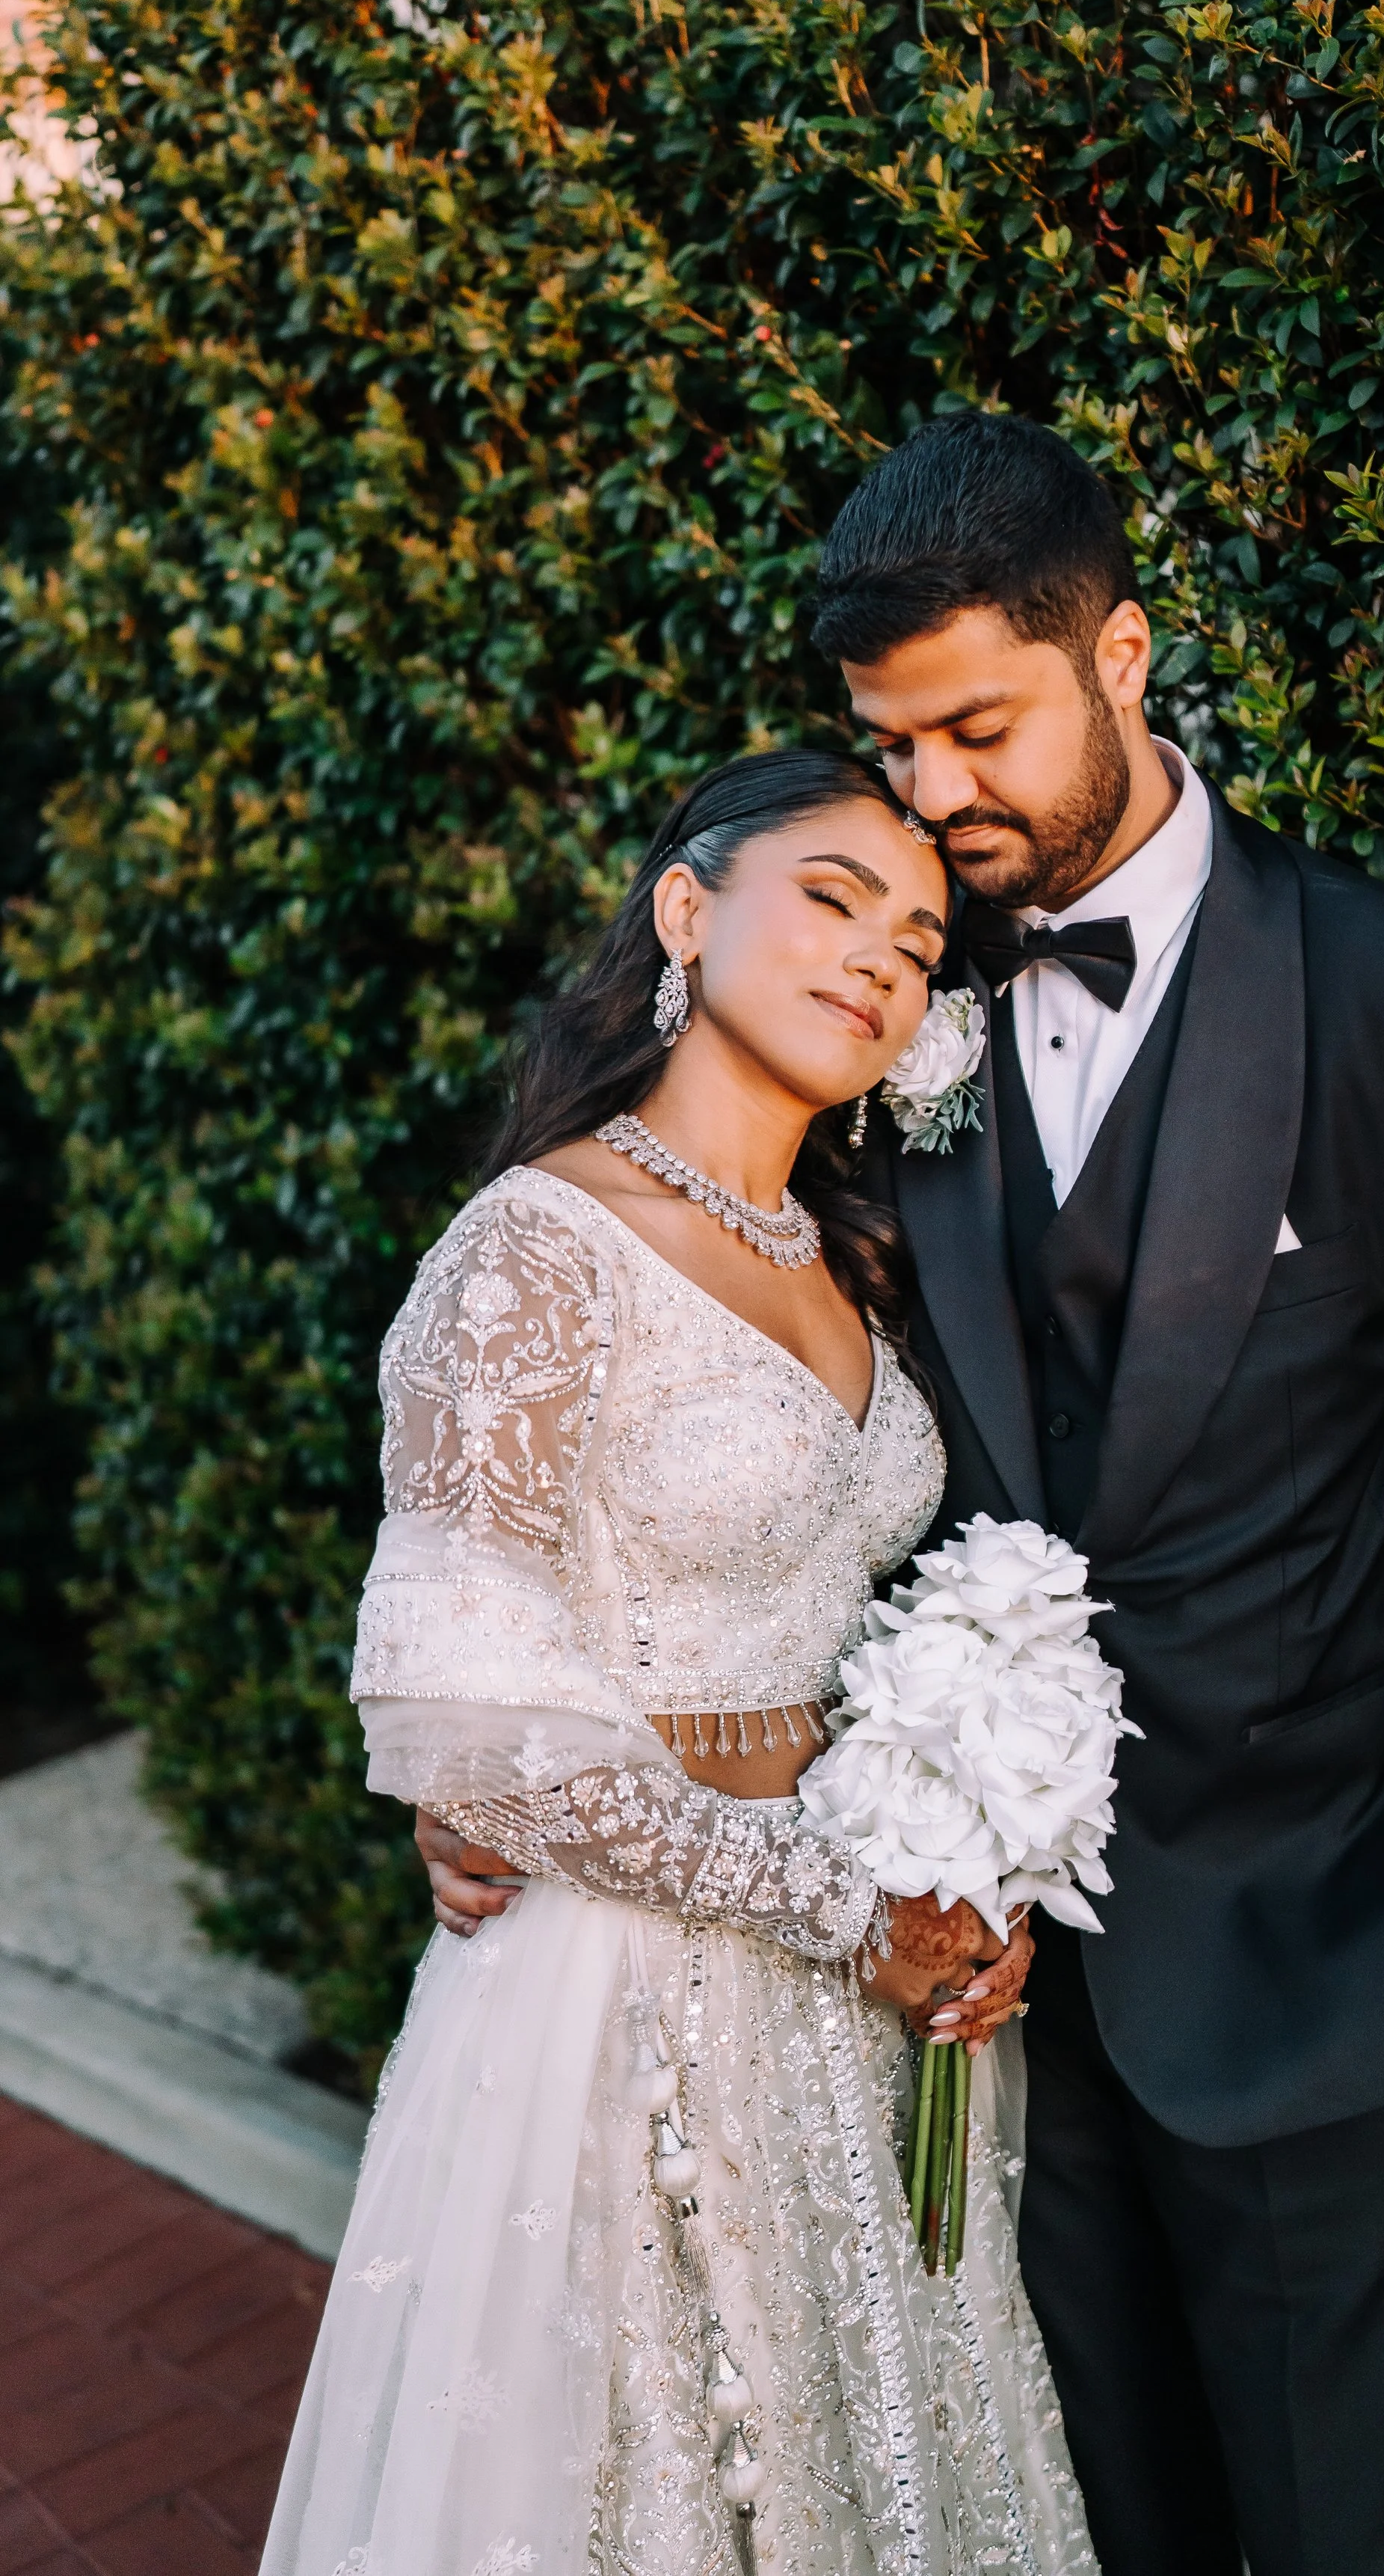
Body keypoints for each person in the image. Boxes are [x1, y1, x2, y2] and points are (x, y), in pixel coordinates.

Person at [806, 413, 1384, 2576]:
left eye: (973, 728)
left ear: (1118, 652)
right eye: (889, 747)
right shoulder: (890, 1003)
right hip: (1015, 1997)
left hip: (1323, 1981)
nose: (931, 798)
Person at [261, 749, 1097, 2576]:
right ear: (686, 908)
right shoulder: (535, 1252)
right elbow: (468, 1730)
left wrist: (976, 1859)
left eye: (919, 936)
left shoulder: (860, 1261)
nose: (882, 956)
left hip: (854, 2011)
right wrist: (839, 1902)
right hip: (617, 2000)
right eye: (831, 898)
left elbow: (872, 1627)